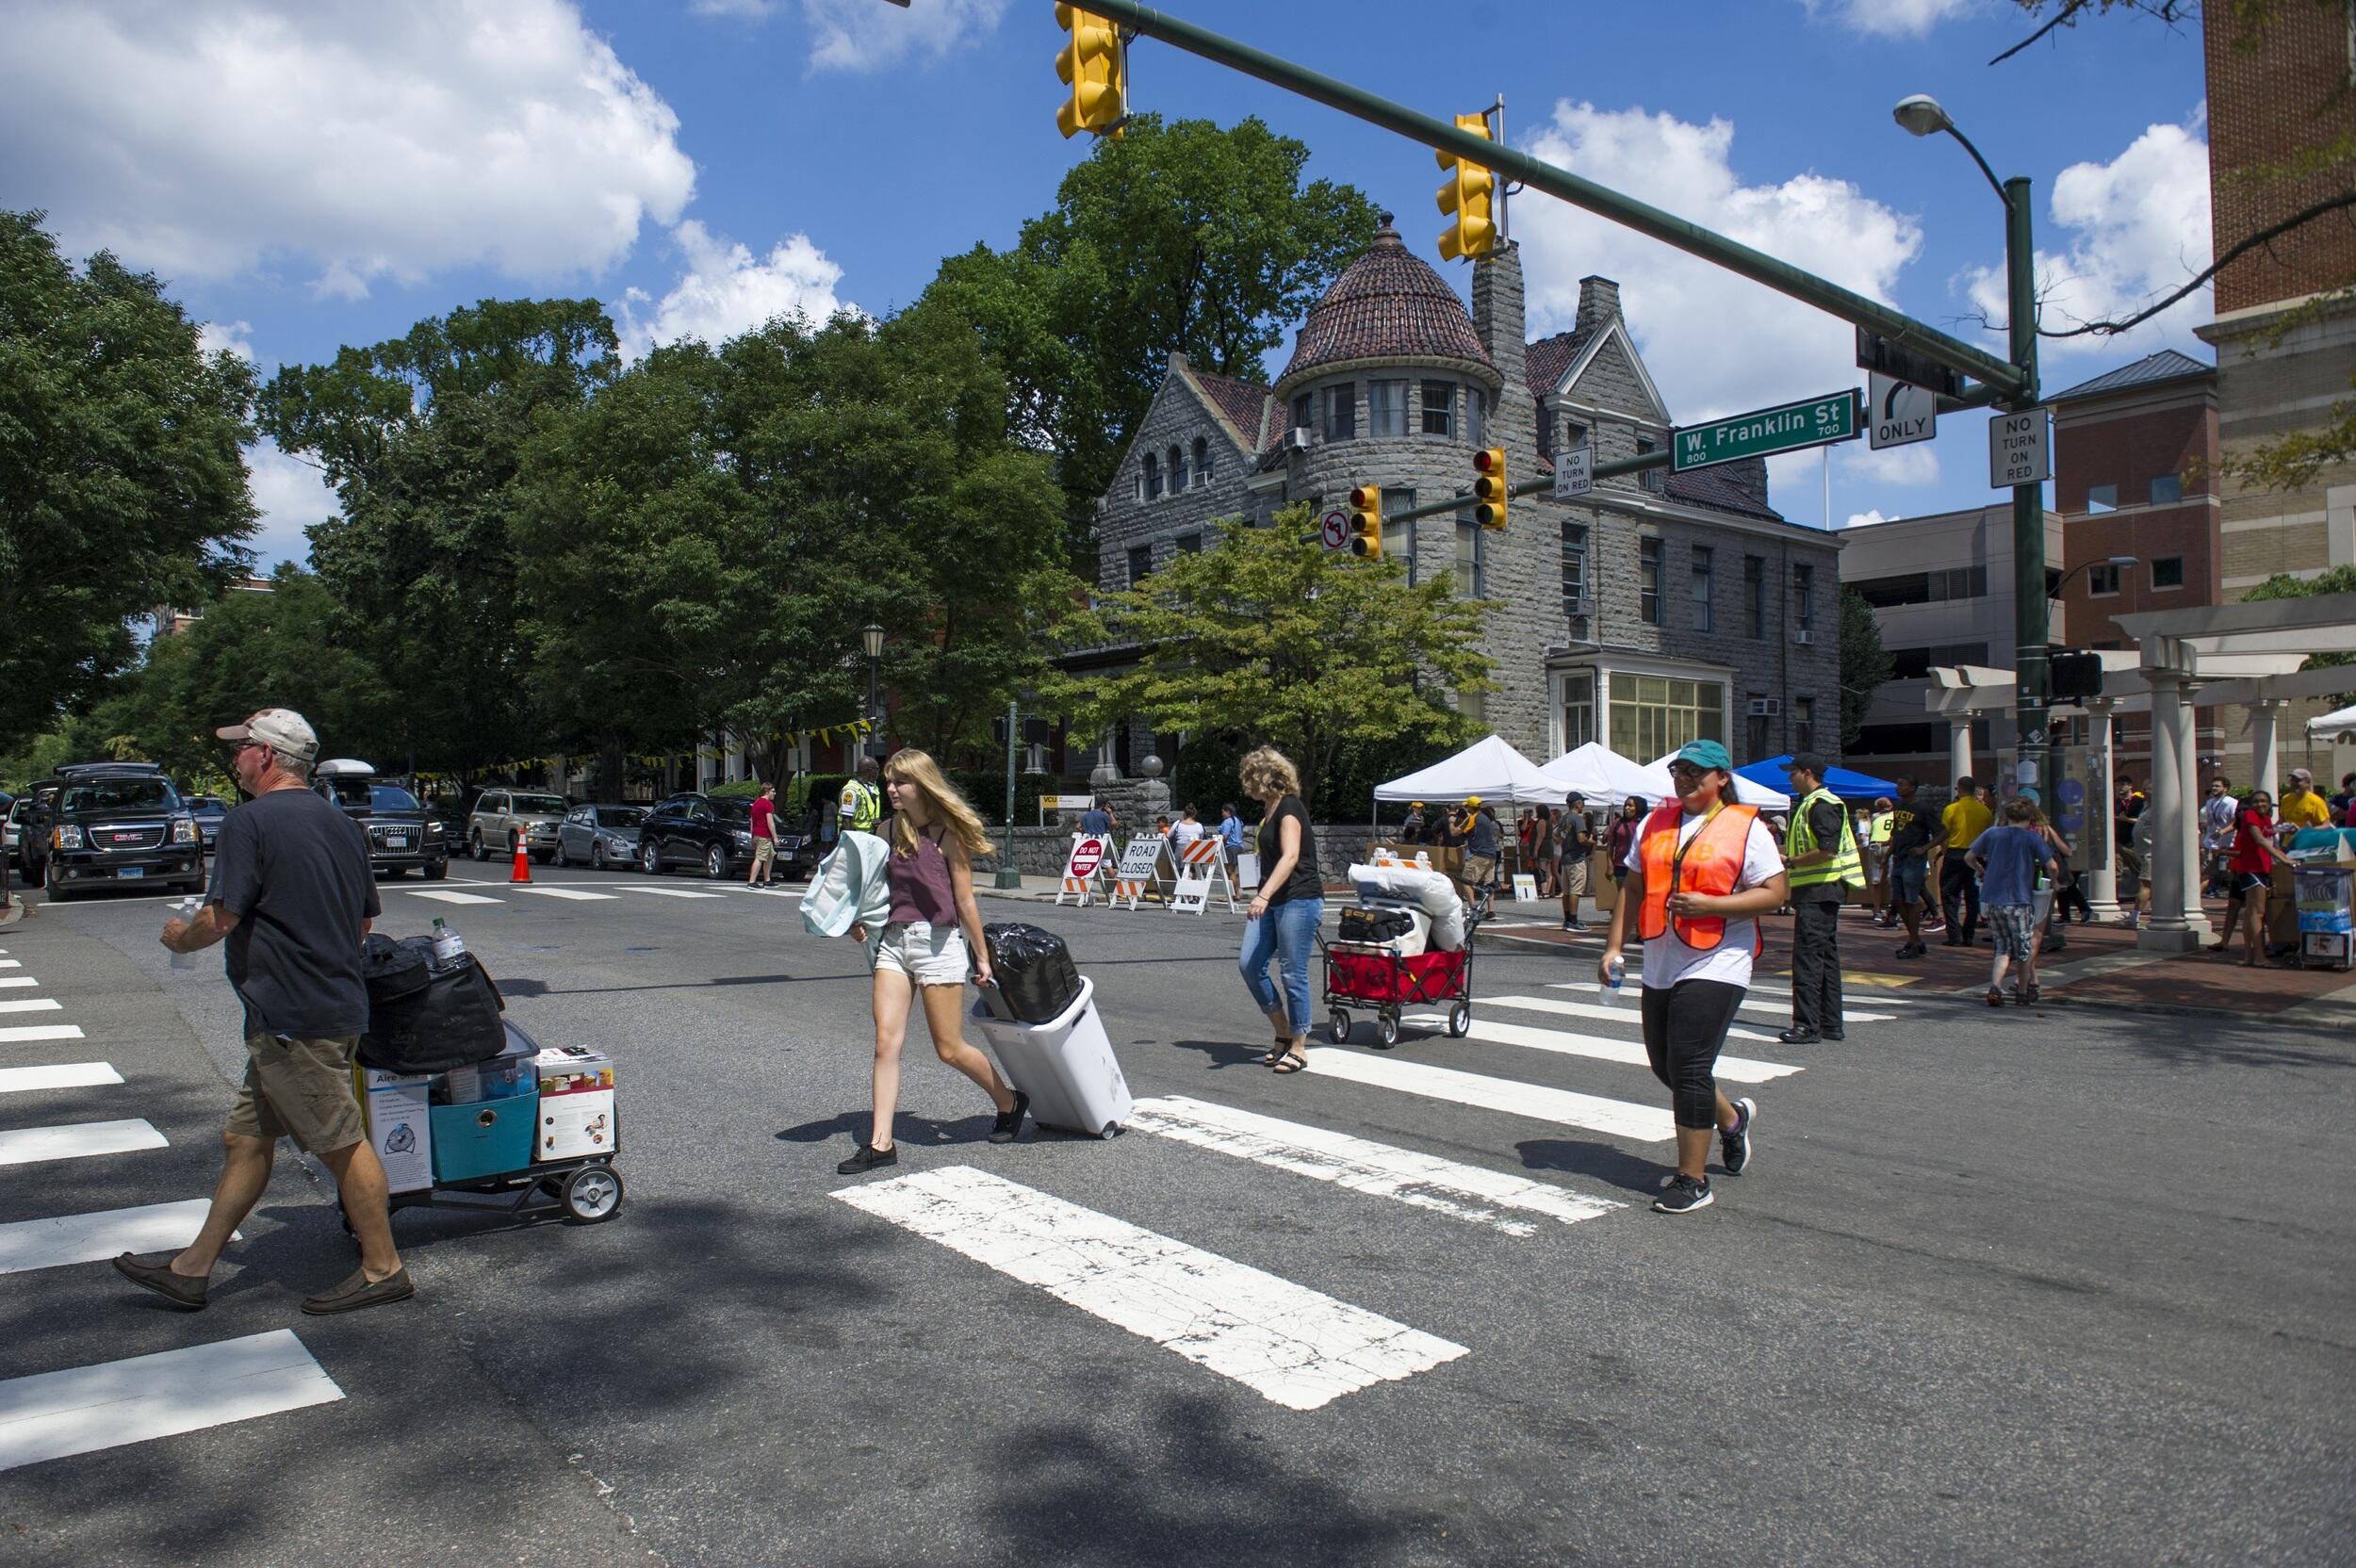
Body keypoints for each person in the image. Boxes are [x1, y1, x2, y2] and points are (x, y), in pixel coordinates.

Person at [121, 709, 413, 1315]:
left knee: (340, 1143)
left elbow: (219, 917)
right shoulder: (343, 826)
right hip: (327, 1005)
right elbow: (363, 921)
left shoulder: (248, 823)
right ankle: (193, 1267)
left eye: (242, 748)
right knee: (245, 1139)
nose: (235, 759)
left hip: (293, 1018)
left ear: (269, 757)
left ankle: (383, 1267)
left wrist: (179, 938)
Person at [1598, 740, 1787, 1216]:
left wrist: (1714, 905)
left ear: (1721, 777)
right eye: (1679, 770)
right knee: (1667, 1067)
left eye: (1696, 771)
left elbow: (1775, 894)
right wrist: (1614, 947)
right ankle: (1732, 1119)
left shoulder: (1748, 828)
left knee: (1689, 1064)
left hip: (1720, 958)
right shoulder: (1654, 821)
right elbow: (1633, 888)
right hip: (1663, 957)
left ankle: (1693, 1179)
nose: (1684, 778)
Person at [837, 749, 1024, 1174]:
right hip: (894, 944)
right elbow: (868, 890)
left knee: (949, 1049)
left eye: (898, 782)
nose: (890, 789)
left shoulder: (947, 836)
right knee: (886, 1041)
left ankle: (1010, 1102)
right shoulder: (884, 831)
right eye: (888, 781)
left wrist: (983, 957)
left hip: (939, 946)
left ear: (920, 784)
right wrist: (857, 920)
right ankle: (881, 1143)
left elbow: (964, 901)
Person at [1237, 747, 1323, 1076]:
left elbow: (1290, 857)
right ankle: (1283, 1029)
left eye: (1250, 778)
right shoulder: (1270, 809)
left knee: (1292, 972)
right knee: (1249, 963)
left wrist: (1262, 895)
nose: (1248, 786)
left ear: (1263, 777)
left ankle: (1299, 1046)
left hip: (1298, 898)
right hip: (1274, 900)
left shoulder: (1289, 807)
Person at [1778, 755, 1861, 1045]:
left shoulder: (1821, 804)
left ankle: (1806, 1026)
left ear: (1807, 773)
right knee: (1825, 958)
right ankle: (1829, 1024)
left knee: (1808, 959)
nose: (1790, 778)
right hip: (1821, 890)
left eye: (1793, 772)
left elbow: (1827, 849)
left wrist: (1792, 861)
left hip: (1820, 889)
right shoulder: (1814, 803)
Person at [1968, 798, 2059, 1006]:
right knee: (2023, 948)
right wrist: (2054, 883)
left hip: (1993, 898)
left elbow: (1969, 856)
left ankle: (1995, 986)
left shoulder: (1992, 834)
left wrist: (1981, 871)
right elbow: (2052, 866)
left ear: (2007, 816)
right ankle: (2023, 991)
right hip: (2019, 899)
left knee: (2002, 946)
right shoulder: (2032, 838)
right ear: (2029, 818)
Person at [2214, 788, 2293, 966]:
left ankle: (2249, 957)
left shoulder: (2265, 819)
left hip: (2261, 869)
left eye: (2263, 801)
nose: (2260, 804)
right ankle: (2260, 957)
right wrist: (2285, 860)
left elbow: (2271, 840)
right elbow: (2260, 840)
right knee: (2257, 913)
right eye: (2256, 801)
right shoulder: (2250, 816)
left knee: (2252, 913)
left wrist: (2285, 856)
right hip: (2251, 869)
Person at [1883, 778, 1937, 957]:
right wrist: (1888, 853)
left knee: (1911, 899)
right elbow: (1896, 834)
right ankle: (1915, 939)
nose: (1898, 788)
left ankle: (1913, 941)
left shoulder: (1923, 809)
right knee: (1897, 900)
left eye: (1902, 785)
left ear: (1913, 788)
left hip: (1914, 859)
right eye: (1897, 784)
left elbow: (1942, 832)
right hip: (1899, 857)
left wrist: (1924, 848)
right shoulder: (1898, 806)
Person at [1939, 776, 1993, 948]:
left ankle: (1954, 934)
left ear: (1960, 789)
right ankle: (1968, 935)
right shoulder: (1985, 811)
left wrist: (1943, 851)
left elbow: (1945, 834)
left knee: (1948, 894)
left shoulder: (1952, 809)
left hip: (1955, 854)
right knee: (1972, 897)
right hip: (1976, 854)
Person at [1558, 793, 1595, 932]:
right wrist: (1590, 842)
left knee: (1566, 891)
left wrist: (1565, 844)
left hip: (1565, 858)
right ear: (1577, 804)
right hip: (1577, 858)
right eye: (1582, 803)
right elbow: (1581, 839)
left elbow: (1556, 835)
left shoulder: (1565, 818)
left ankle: (1567, 919)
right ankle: (1573, 920)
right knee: (1576, 890)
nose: (1583, 806)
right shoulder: (1578, 819)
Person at [2201, 776, 2239, 900]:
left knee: (2230, 872)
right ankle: (2195, 900)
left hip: (2227, 844)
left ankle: (2235, 896)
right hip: (2211, 843)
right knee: (2206, 872)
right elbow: (2210, 823)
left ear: (2225, 788)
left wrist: (2222, 832)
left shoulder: (2231, 803)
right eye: (2213, 786)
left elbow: (2236, 822)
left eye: (2217, 786)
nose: (2214, 788)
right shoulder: (2210, 802)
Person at [1460, 795, 1502, 899]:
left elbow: (1456, 832)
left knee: (1466, 881)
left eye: (1467, 807)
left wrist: (1453, 823)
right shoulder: (1489, 821)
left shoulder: (1473, 818)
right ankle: (1490, 910)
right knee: (1489, 883)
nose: (1466, 809)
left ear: (1471, 807)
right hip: (1492, 853)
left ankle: (1473, 907)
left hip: (1480, 854)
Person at [1606, 796, 1644, 889]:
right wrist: (1610, 865)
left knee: (1638, 896)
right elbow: (1610, 845)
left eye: (1630, 806)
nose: (1627, 808)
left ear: (1638, 807)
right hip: (1621, 865)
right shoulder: (1618, 823)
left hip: (1639, 866)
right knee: (1623, 894)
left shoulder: (1644, 823)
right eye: (1626, 805)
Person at [2280, 768, 2332, 835]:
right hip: (2289, 843)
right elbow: (2282, 820)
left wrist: (2303, 832)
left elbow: (2326, 825)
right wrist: (2273, 828)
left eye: (2297, 781)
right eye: (2292, 780)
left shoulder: (2316, 801)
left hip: (2307, 842)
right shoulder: (2286, 799)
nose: (2293, 783)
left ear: (2308, 783)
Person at [840, 756, 883, 837]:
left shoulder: (871, 788)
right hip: (857, 838)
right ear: (870, 770)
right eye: (877, 769)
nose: (878, 772)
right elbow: (846, 821)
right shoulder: (851, 791)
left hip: (869, 835)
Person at [747, 782, 779, 887]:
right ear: (767, 791)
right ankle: (752, 882)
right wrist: (775, 837)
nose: (775, 793)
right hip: (764, 835)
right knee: (760, 857)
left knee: (770, 856)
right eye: (773, 791)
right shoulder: (767, 804)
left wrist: (752, 836)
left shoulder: (756, 803)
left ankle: (767, 880)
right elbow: (770, 822)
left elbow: (752, 821)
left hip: (757, 833)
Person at [1218, 802, 1247, 874]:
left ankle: (1232, 884)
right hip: (1240, 847)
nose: (1222, 814)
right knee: (1235, 872)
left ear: (1227, 812)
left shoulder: (1227, 822)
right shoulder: (1238, 821)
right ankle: (1235, 884)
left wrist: (1217, 837)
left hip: (1231, 848)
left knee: (1230, 872)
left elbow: (1225, 836)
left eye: (1223, 812)